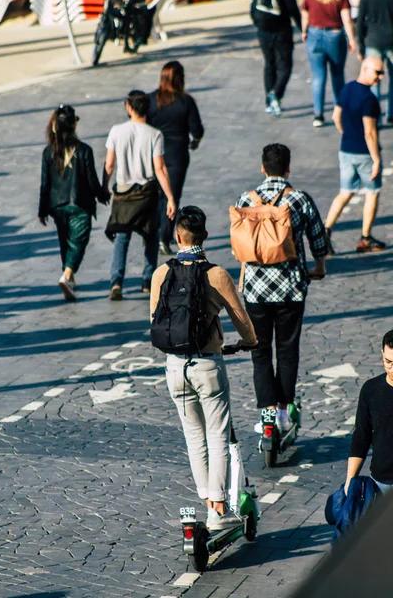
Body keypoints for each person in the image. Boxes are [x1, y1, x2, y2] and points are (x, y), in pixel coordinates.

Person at [150, 206, 258, 530]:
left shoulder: (160, 275)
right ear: (205, 236)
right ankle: (218, 510)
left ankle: (206, 500)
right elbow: (243, 324)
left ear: (177, 236)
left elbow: (154, 320)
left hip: (174, 368)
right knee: (218, 436)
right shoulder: (217, 275)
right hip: (208, 365)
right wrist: (249, 342)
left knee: (193, 437)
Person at [235, 143, 328, 432]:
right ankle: (285, 413)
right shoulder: (299, 199)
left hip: (255, 291)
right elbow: (318, 240)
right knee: (287, 352)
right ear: (289, 167)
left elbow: (240, 244)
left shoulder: (246, 199)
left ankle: (266, 415)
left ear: (263, 167)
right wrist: (319, 268)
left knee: (260, 352)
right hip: (290, 289)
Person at [104, 91, 176, 300]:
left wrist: (103, 186)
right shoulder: (155, 134)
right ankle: (147, 280)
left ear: (128, 106)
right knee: (150, 235)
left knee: (122, 237)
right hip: (147, 193)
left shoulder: (116, 131)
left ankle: (116, 281)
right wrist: (171, 197)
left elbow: (109, 164)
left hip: (124, 193)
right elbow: (160, 168)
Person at [38, 104, 109, 302]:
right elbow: (91, 179)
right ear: (73, 125)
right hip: (80, 204)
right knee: (79, 241)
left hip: (57, 205)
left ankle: (69, 276)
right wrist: (102, 195)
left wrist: (42, 210)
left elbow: (45, 185)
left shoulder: (48, 152)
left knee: (65, 240)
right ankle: (67, 275)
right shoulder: (84, 150)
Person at [324, 56, 386, 255]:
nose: (381, 77)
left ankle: (325, 232)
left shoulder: (347, 88)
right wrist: (376, 160)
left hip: (346, 150)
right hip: (364, 154)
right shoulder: (369, 99)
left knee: (345, 193)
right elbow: (370, 132)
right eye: (378, 72)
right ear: (365, 68)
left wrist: (346, 133)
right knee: (372, 192)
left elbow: (335, 116)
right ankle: (365, 237)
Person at [146, 61, 204, 255]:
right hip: (178, 153)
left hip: (154, 153)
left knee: (158, 195)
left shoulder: (151, 100)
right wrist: (195, 141)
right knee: (173, 195)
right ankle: (164, 236)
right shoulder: (185, 101)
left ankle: (155, 233)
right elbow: (197, 129)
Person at [345, 330, 393, 496]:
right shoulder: (371, 390)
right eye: (388, 361)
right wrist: (350, 481)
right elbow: (361, 437)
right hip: (381, 484)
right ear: (382, 354)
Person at [301, 0, 357, 128]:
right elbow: (347, 19)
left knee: (318, 77)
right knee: (337, 75)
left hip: (314, 34)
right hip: (335, 35)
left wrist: (304, 31)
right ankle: (340, 111)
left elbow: (305, 15)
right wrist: (352, 39)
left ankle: (318, 114)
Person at [250, 0, 302, 117]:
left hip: (263, 33)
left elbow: (253, 10)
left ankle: (269, 101)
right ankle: (275, 94)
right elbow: (293, 10)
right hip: (282, 32)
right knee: (285, 67)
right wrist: (303, 29)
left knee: (269, 65)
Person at [357, 0, 393, 125]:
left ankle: (374, 116)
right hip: (391, 40)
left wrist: (360, 45)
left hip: (373, 41)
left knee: (373, 81)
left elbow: (360, 19)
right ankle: (391, 114)